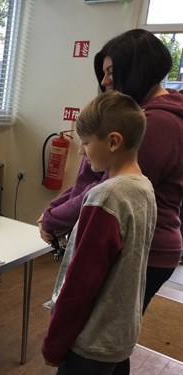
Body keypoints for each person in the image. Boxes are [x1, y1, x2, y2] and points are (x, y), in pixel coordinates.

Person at [38, 29, 183, 373]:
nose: (104, 82)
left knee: (97, 341)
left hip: (145, 250)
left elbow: (98, 192)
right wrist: (53, 212)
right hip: (131, 241)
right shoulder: (132, 119)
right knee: (112, 344)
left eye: (111, 73)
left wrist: (54, 345)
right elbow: (87, 182)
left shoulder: (155, 124)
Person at [42, 91, 157, 374]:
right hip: (120, 335)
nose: (81, 151)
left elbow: (81, 283)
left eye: (86, 142)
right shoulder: (144, 188)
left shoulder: (105, 197)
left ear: (113, 141)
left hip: (90, 342)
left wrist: (53, 343)